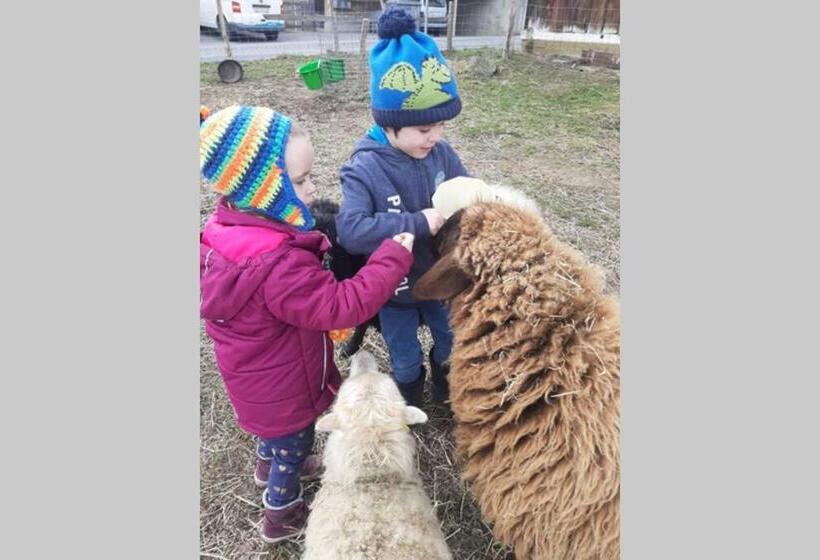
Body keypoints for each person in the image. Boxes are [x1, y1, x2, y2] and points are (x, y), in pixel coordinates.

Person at [199, 105, 414, 543]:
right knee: (292, 450)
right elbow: (342, 306)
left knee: (273, 438)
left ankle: (266, 465)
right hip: (285, 390)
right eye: (299, 181)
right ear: (260, 191)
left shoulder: (223, 229)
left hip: (253, 382)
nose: (313, 190)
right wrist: (393, 256)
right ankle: (282, 513)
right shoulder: (278, 263)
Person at [336, 7, 469, 407]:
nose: (436, 137)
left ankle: (447, 395)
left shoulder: (441, 154)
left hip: (442, 282)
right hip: (394, 291)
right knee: (404, 356)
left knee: (451, 343)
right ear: (390, 124)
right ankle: (410, 401)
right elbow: (352, 230)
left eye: (442, 126)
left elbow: (468, 191)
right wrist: (416, 221)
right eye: (425, 129)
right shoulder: (365, 166)